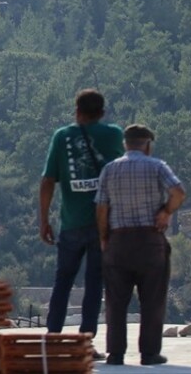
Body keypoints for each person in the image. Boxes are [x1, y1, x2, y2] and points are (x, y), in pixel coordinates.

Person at [39, 88, 124, 351]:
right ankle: (85, 341)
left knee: (63, 280)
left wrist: (43, 220)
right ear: (102, 113)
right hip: (103, 225)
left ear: (77, 111)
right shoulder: (113, 135)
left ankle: (52, 337)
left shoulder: (62, 137)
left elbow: (47, 180)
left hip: (71, 223)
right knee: (94, 282)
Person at [95, 124, 186, 367]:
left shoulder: (110, 169)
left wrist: (104, 237)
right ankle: (149, 353)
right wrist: (166, 211)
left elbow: (101, 207)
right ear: (147, 145)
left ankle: (115, 354)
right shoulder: (157, 166)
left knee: (115, 302)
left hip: (118, 240)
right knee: (153, 300)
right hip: (149, 240)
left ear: (125, 144)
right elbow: (178, 192)